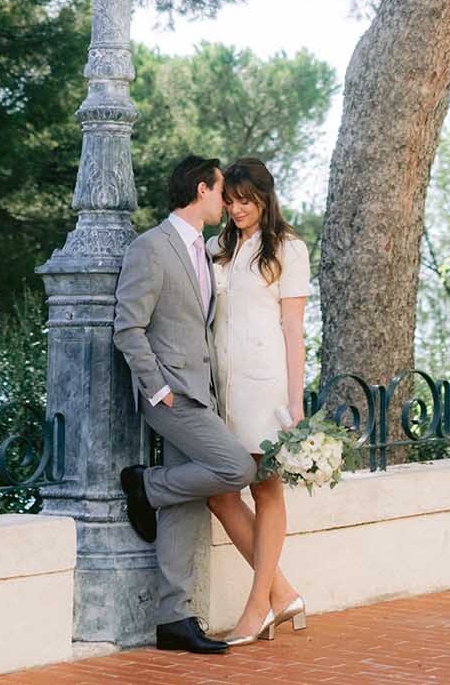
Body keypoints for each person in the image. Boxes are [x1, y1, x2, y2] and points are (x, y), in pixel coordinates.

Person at [112, 154, 258, 655]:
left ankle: (173, 619)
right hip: (171, 395)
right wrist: (159, 388)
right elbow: (127, 328)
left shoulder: (204, 250)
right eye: (221, 193)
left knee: (187, 504)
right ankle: (145, 484)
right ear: (202, 190)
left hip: (202, 392)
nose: (226, 202)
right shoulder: (150, 249)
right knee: (235, 466)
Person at [206, 156, 311, 646]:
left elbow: (295, 332)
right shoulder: (215, 249)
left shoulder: (289, 250)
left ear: (264, 198)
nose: (236, 209)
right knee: (219, 492)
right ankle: (283, 594)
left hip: (264, 390)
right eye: (229, 200)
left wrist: (296, 404)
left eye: (244, 200)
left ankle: (257, 607)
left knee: (265, 490)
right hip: (220, 393)